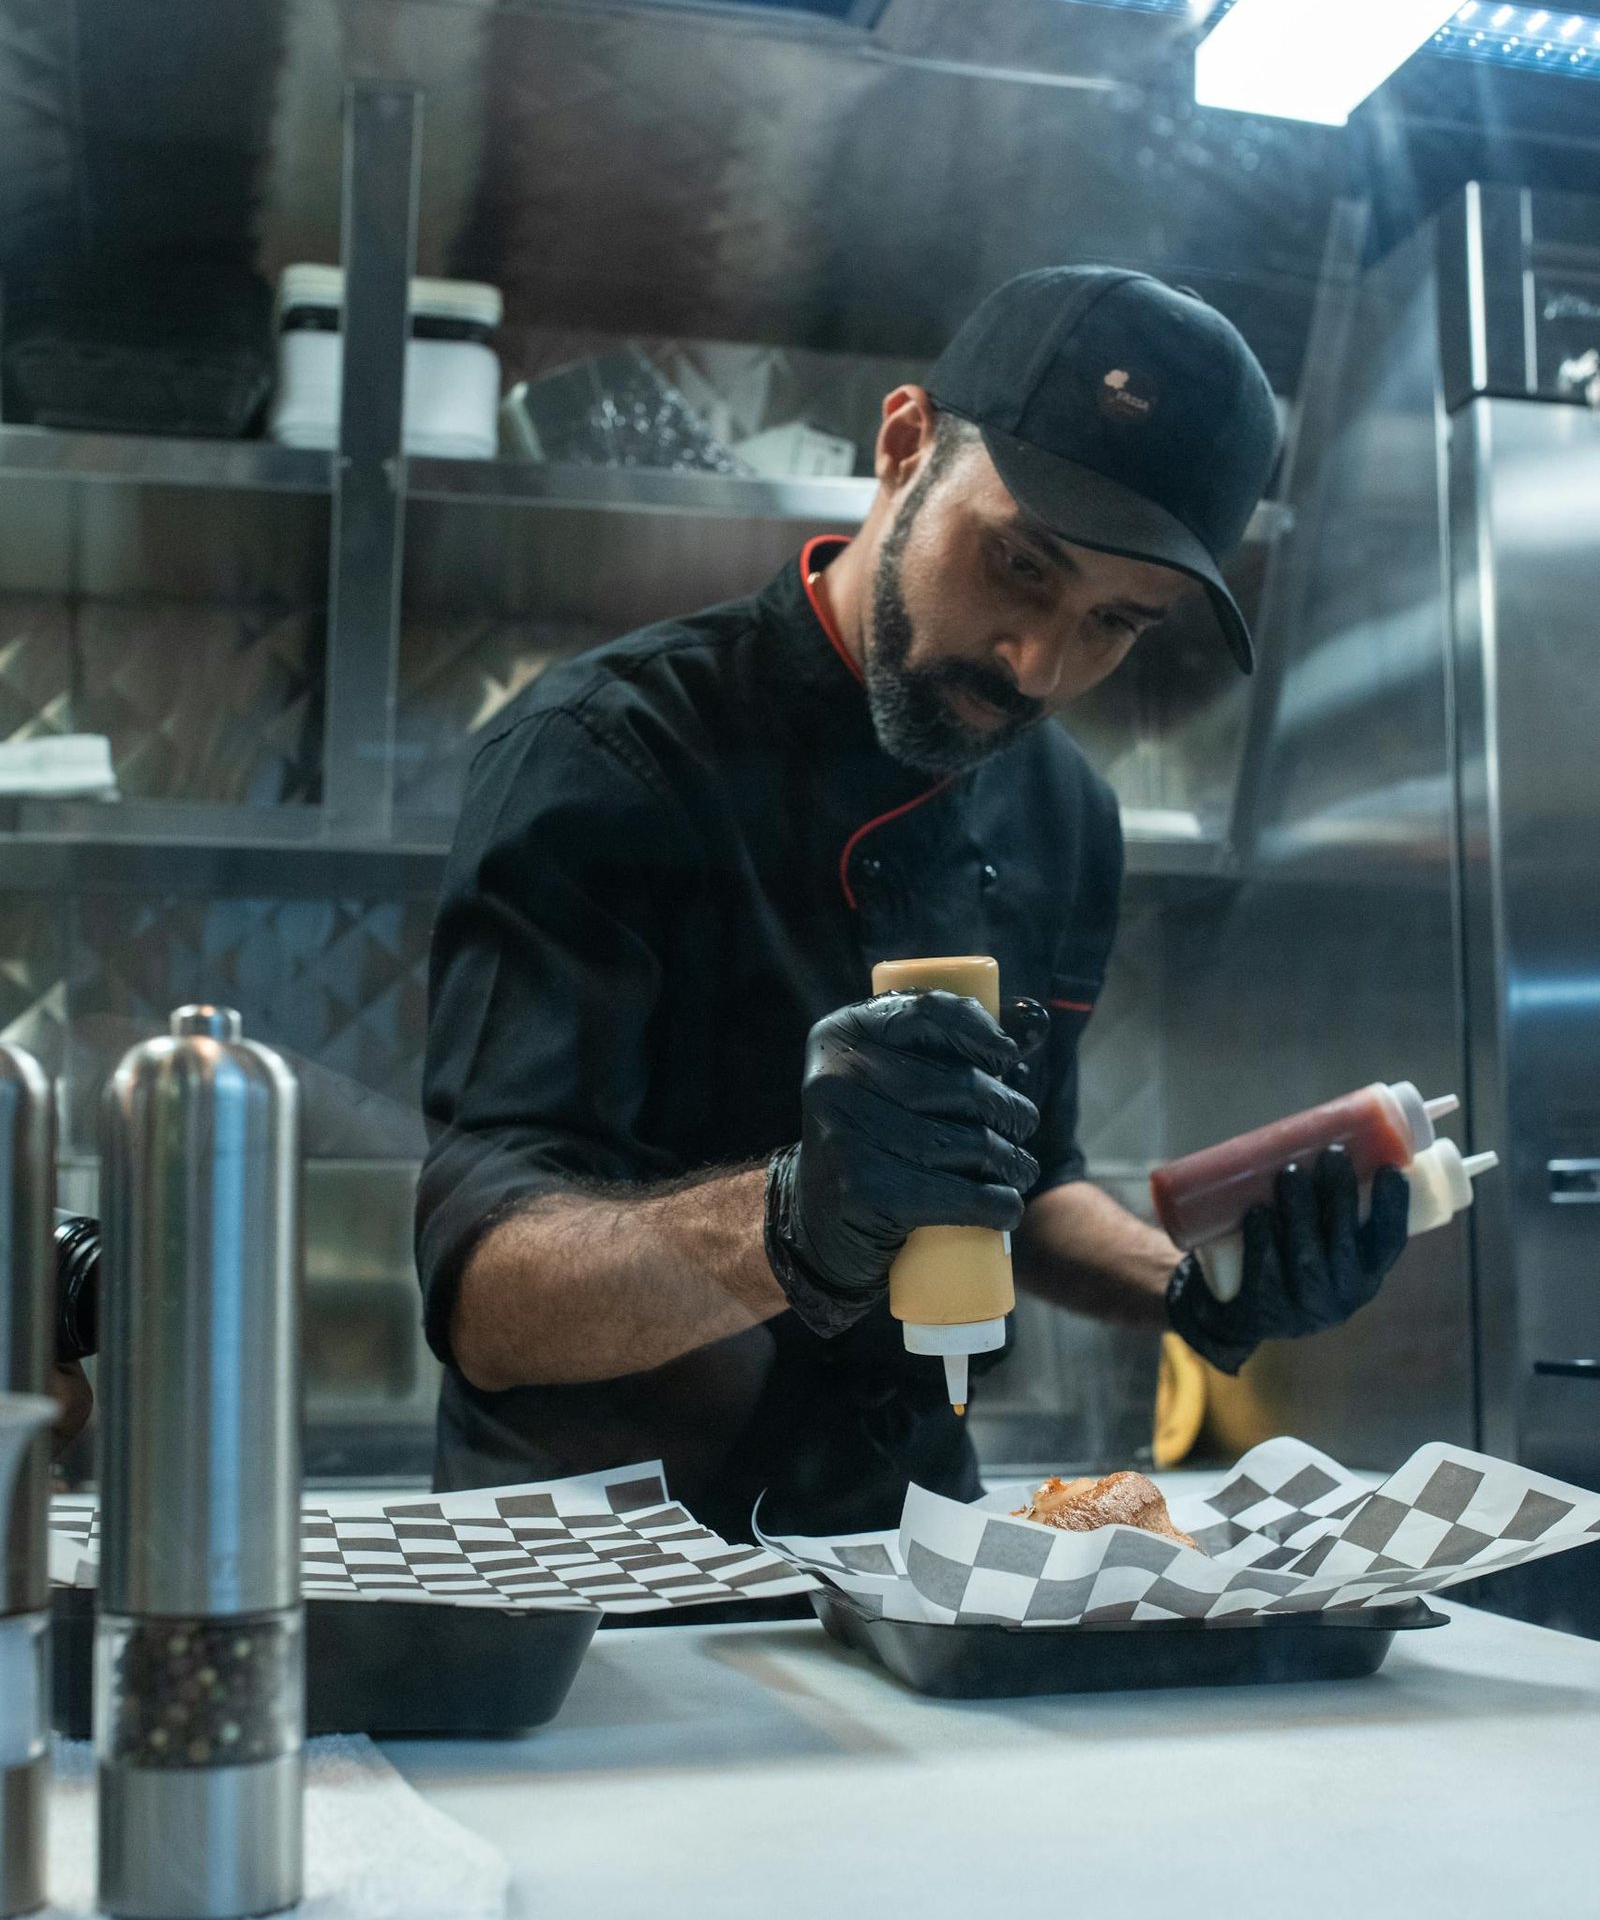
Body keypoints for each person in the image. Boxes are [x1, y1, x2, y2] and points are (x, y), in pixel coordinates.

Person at [417, 267, 1409, 1537]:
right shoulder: (609, 753)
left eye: (1116, 624)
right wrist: (789, 1219)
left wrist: (1192, 1289)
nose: (1039, 664)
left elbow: (1027, 1185)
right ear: (903, 446)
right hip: (603, 1582)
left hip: (914, 1555)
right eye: (1017, 566)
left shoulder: (1067, 814)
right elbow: (484, 1292)